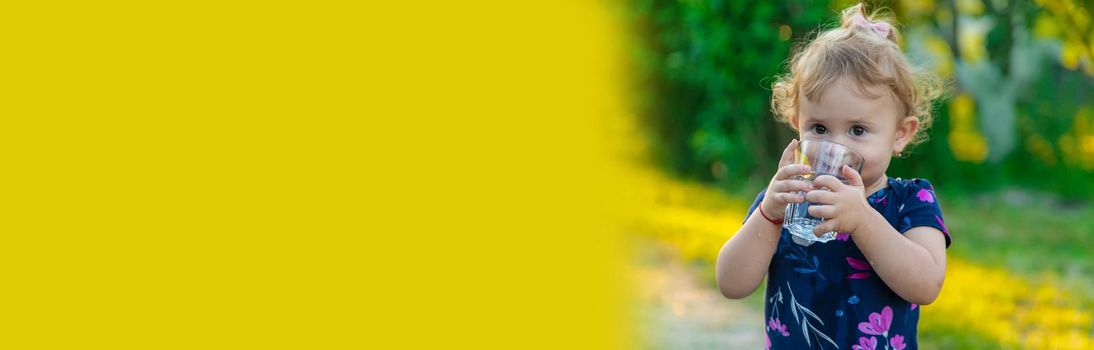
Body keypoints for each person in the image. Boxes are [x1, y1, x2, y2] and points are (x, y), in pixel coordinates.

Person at [715, 3, 950, 349]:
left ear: (900, 133)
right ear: (797, 123)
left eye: (857, 130)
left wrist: (863, 221)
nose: (835, 147)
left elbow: (926, 284)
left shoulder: (910, 201)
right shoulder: (787, 199)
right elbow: (730, 284)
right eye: (820, 128)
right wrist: (768, 214)